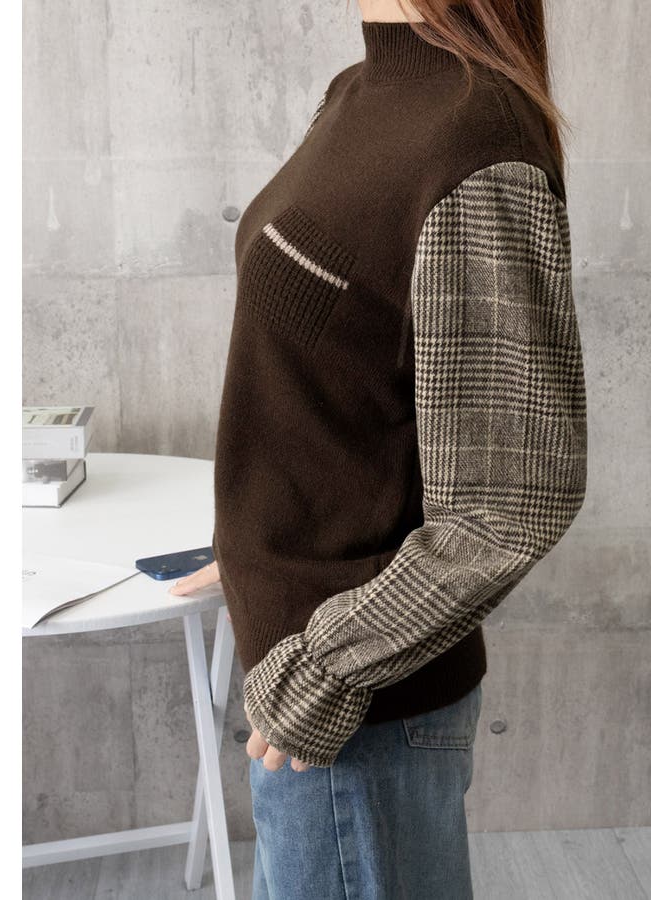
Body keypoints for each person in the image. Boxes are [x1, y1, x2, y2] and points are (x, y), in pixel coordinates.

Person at [170, 0, 587, 896]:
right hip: (310, 679)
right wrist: (253, 545)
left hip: (358, 714)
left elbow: (510, 501)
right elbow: (344, 375)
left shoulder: (473, 143)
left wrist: (324, 668)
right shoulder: (364, 90)